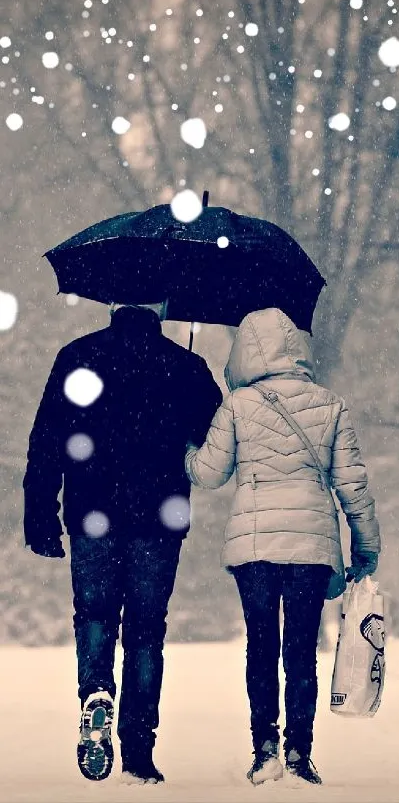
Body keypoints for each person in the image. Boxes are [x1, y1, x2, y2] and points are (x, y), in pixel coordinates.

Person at [23, 302, 221, 784]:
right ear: (161, 306)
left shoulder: (78, 356)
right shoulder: (185, 365)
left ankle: (95, 693)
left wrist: (41, 518)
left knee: (94, 614)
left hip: (93, 513)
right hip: (159, 516)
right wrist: (191, 394)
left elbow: (47, 438)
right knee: (147, 629)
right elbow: (213, 440)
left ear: (114, 305)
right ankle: (138, 747)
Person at [185, 307, 380, 787]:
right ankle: (300, 752)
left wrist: (190, 450)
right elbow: (353, 486)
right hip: (313, 547)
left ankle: (263, 749)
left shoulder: (238, 406)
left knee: (261, 645)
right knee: (300, 650)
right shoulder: (330, 405)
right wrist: (366, 547)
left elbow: (209, 474)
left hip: (254, 547)